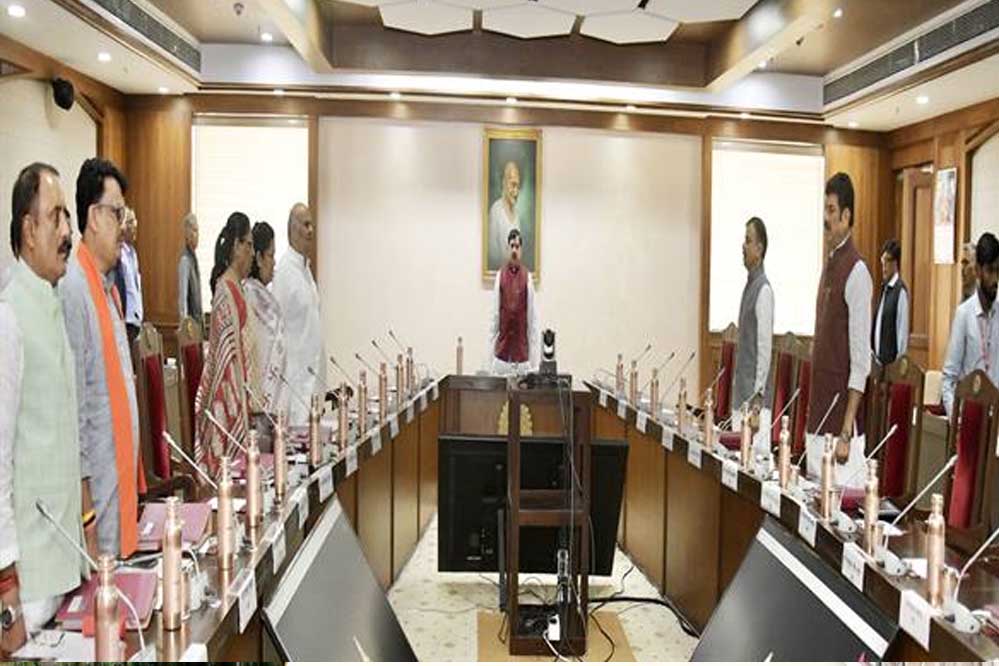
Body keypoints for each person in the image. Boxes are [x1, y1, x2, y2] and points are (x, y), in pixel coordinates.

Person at [0, 163, 86, 652]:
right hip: (27, 589)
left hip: (62, 572)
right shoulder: (8, 318)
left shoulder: (50, 303)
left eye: (67, 217)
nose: (67, 231)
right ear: (28, 230)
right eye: (56, 217)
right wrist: (6, 596)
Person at [59, 157, 141, 560]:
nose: (123, 225)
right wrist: (87, 516)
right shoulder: (74, 288)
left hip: (118, 496)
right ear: (93, 217)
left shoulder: (107, 289)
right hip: (97, 514)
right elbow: (73, 415)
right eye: (116, 212)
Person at [805, 172, 872, 482]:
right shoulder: (829, 265)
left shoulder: (857, 272)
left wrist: (846, 432)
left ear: (846, 216)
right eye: (825, 209)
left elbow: (861, 362)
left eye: (831, 210)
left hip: (841, 431)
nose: (825, 218)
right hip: (819, 417)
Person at [195, 212, 254, 477]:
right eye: (248, 245)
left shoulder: (238, 287)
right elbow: (225, 359)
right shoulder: (224, 290)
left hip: (241, 389)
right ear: (236, 246)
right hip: (225, 395)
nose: (251, 253)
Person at [272, 203, 324, 426]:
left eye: (312, 225)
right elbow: (276, 331)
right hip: (295, 388)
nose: (311, 230)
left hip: (312, 383)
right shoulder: (285, 272)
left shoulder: (305, 270)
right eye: (306, 225)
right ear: (293, 229)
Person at [941, 232, 999, 418]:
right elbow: (948, 379)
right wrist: (956, 420)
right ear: (979, 271)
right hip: (970, 418)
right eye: (990, 271)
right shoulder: (964, 315)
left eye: (998, 271)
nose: (995, 280)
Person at [731, 217, 774, 453]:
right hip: (741, 398)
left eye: (748, 241)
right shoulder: (749, 286)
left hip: (754, 407)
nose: (743, 246)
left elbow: (764, 351)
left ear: (759, 248)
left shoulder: (763, 290)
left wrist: (757, 403)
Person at [244, 221, 287, 418]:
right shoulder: (249, 293)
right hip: (260, 400)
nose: (274, 262)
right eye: (271, 255)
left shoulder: (262, 294)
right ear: (259, 258)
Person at [488, 229, 540, 376]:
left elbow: (532, 320)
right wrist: (489, 358)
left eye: (517, 246)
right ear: (507, 249)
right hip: (502, 356)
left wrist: (534, 362)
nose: (514, 250)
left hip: (522, 357)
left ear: (521, 249)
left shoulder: (527, 278)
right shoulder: (500, 276)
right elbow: (494, 317)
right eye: (511, 246)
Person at [872, 239, 909, 366]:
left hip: (891, 365)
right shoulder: (884, 288)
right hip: (877, 363)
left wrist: (897, 365)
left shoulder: (900, 291)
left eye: (887, 262)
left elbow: (902, 332)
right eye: (882, 262)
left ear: (895, 263)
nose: (884, 267)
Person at [489, 161, 521, 268]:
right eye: (513, 185)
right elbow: (493, 255)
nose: (516, 192)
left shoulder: (517, 214)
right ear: (504, 183)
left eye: (518, 187)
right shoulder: (496, 211)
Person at [119, 207, 143, 343]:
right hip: (126, 320)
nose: (134, 228)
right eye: (131, 222)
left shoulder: (133, 254)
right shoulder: (120, 255)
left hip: (136, 320)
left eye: (135, 223)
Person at [177, 212, 203, 334]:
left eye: (197, 231)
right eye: (194, 230)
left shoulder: (194, 258)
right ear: (187, 234)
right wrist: (185, 326)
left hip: (198, 324)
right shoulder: (185, 260)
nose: (197, 235)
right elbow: (182, 298)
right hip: (190, 328)